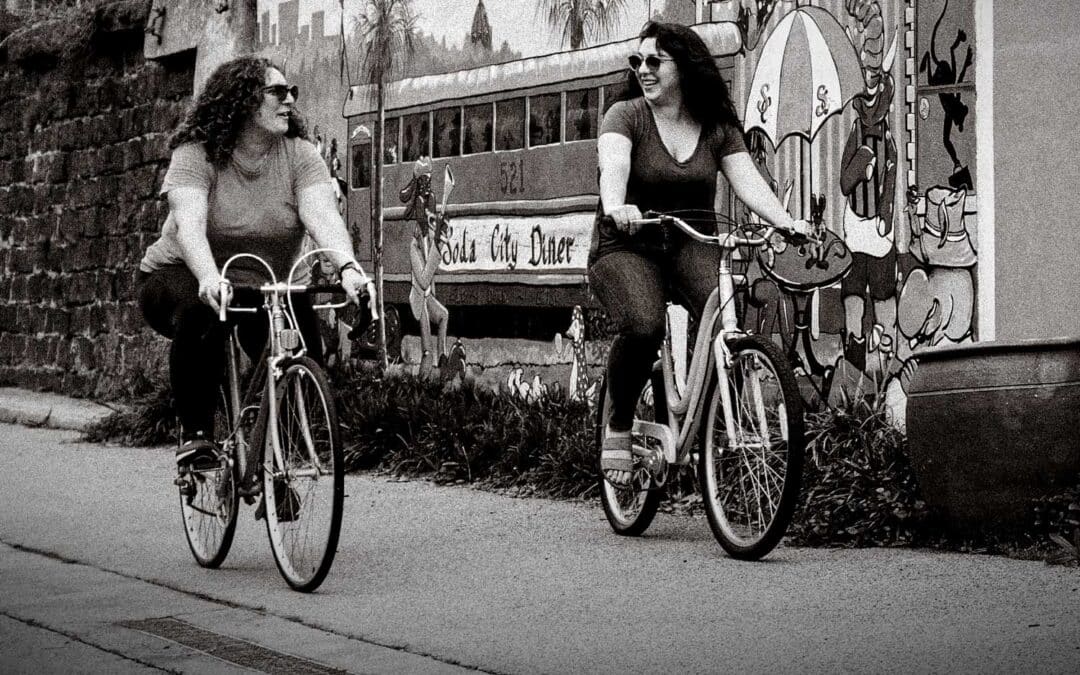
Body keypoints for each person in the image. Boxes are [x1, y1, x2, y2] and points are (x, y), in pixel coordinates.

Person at [589, 22, 809, 486]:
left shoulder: (715, 127)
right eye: (637, 62)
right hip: (629, 243)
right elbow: (613, 167)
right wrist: (617, 207)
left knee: (726, 313)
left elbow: (749, 183)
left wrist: (787, 223)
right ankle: (620, 423)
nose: (643, 70)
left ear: (684, 67)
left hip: (692, 241)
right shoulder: (625, 116)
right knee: (645, 324)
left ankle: (711, 421)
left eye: (654, 61)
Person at [137, 55, 369, 470]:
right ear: (243, 100)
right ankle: (198, 436)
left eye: (292, 92)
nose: (289, 101)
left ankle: (275, 466)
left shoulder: (300, 155)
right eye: (277, 92)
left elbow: (323, 217)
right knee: (201, 311)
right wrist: (208, 277)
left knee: (303, 353)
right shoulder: (197, 154)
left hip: (264, 284)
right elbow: (190, 226)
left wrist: (349, 268)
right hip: (181, 274)